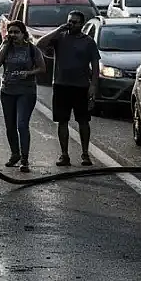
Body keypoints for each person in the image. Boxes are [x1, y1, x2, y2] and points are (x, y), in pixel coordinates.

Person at [35, 11, 100, 166]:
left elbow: (96, 66)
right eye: (70, 21)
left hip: (81, 86)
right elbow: (40, 45)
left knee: (83, 121)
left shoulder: (88, 42)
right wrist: (58, 29)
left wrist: (93, 86)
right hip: (61, 85)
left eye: (76, 22)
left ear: (82, 24)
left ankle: (85, 154)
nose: (72, 24)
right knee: (62, 121)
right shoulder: (60, 37)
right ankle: (64, 154)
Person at [0, 21, 45, 172]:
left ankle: (25, 159)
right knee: (10, 125)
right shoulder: (6, 47)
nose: (13, 35)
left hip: (26, 92)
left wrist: (28, 73)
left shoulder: (31, 49)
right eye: (11, 32)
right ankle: (15, 154)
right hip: (7, 91)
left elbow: (42, 68)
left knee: (22, 124)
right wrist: (4, 46)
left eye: (16, 32)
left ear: (23, 34)